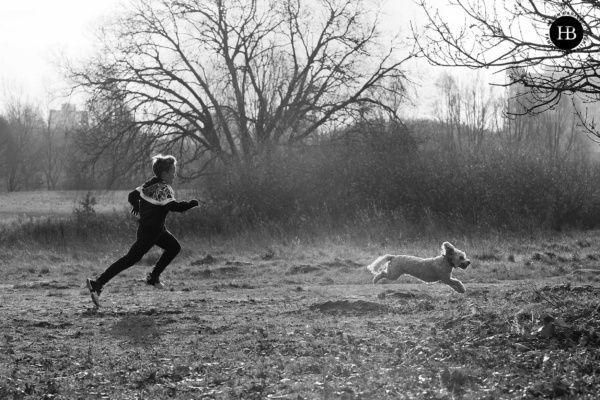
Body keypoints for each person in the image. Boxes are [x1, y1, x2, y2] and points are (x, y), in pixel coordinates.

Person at [86, 154, 199, 307]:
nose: (175, 174)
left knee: (174, 247)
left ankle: (153, 277)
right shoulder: (164, 189)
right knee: (129, 259)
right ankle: (97, 283)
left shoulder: (148, 184)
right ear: (164, 174)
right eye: (173, 171)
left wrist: (138, 207)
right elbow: (174, 207)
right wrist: (191, 204)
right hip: (150, 233)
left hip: (155, 230)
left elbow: (132, 196)